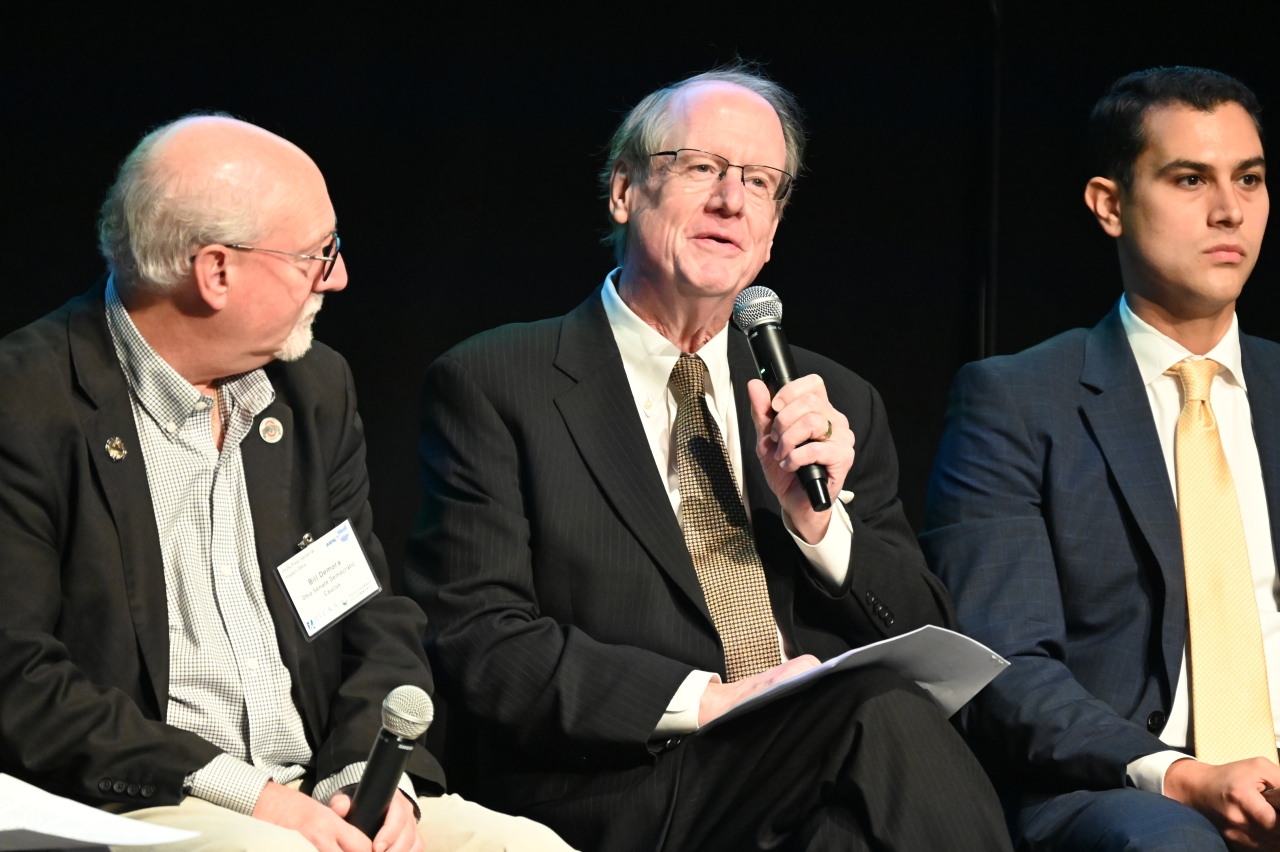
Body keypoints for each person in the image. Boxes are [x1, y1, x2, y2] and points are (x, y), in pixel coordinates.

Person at [406, 65, 1011, 852]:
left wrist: (819, 528)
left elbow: (927, 635)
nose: (732, 200)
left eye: (761, 182)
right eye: (702, 169)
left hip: (812, 776)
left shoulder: (832, 404)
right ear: (625, 191)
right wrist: (707, 700)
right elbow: (478, 638)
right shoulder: (496, 382)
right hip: (613, 783)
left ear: (772, 231)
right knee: (878, 712)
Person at [0, 115, 572, 852]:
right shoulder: (26, 402)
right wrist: (258, 800)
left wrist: (367, 779)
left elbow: (369, 617)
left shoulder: (312, 387)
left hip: (315, 795)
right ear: (216, 272)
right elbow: (19, 678)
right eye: (315, 254)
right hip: (136, 802)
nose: (336, 277)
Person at [921, 66, 1280, 850]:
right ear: (1110, 205)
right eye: (1190, 179)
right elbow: (1002, 668)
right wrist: (1179, 774)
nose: (1230, 210)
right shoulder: (1014, 400)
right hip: (1123, 791)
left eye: (1249, 179)